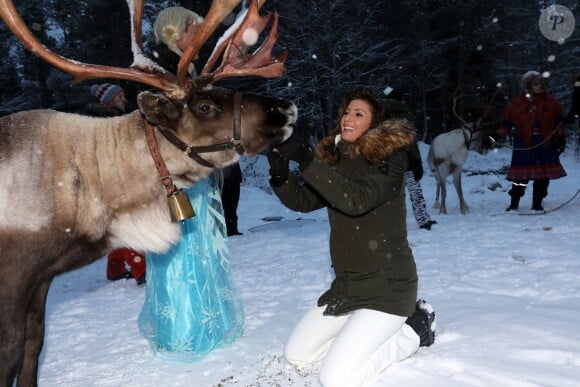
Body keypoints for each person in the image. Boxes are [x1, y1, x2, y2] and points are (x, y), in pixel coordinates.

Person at [266, 87, 436, 387]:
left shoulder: (390, 159)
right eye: (346, 112)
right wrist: (280, 172)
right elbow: (304, 201)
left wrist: (306, 158)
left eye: (359, 114)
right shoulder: (337, 160)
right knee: (297, 355)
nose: (348, 118)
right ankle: (355, 339)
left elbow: (355, 200)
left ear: (374, 124)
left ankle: (414, 329)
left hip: (388, 289)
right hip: (347, 287)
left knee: (335, 379)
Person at [154, 6, 244, 237]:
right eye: (193, 27)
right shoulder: (162, 73)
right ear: (177, 33)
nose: (198, 32)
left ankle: (224, 226)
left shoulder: (184, 69)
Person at [138, 173, 244, 361]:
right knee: (174, 259)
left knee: (193, 255)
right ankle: (176, 330)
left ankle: (189, 329)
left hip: (184, 185)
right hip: (167, 186)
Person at [83, 83, 147, 285]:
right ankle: (142, 270)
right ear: (109, 100)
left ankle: (116, 269)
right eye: (119, 97)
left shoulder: (117, 119)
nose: (123, 99)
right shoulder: (99, 124)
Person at [486, 71, 567, 211]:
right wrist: (494, 137)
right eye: (536, 83)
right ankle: (514, 203)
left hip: (545, 142)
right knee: (520, 179)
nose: (539, 86)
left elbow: (559, 122)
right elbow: (506, 125)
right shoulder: (516, 104)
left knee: (542, 177)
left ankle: (537, 203)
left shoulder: (550, 101)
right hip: (524, 143)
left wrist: (560, 138)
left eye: (540, 83)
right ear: (528, 85)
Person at [384, 87, 437, 230]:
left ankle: (388, 225)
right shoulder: (403, 116)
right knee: (415, 191)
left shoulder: (378, 117)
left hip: (386, 163)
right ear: (400, 101)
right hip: (405, 162)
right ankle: (423, 220)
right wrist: (416, 161)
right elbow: (410, 142)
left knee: (389, 195)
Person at [221, 163, 243, 236]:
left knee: (232, 206)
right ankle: (227, 229)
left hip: (234, 179)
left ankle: (232, 228)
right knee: (226, 206)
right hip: (225, 180)